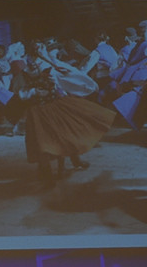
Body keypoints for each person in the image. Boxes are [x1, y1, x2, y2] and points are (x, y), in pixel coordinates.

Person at [20, 39, 116, 188]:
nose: (40, 50)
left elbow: (69, 77)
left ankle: (69, 163)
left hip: (54, 102)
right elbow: (22, 88)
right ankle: (47, 172)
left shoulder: (51, 64)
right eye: (36, 48)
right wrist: (34, 91)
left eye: (41, 47)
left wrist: (81, 85)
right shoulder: (27, 66)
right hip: (38, 107)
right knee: (43, 141)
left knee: (64, 133)